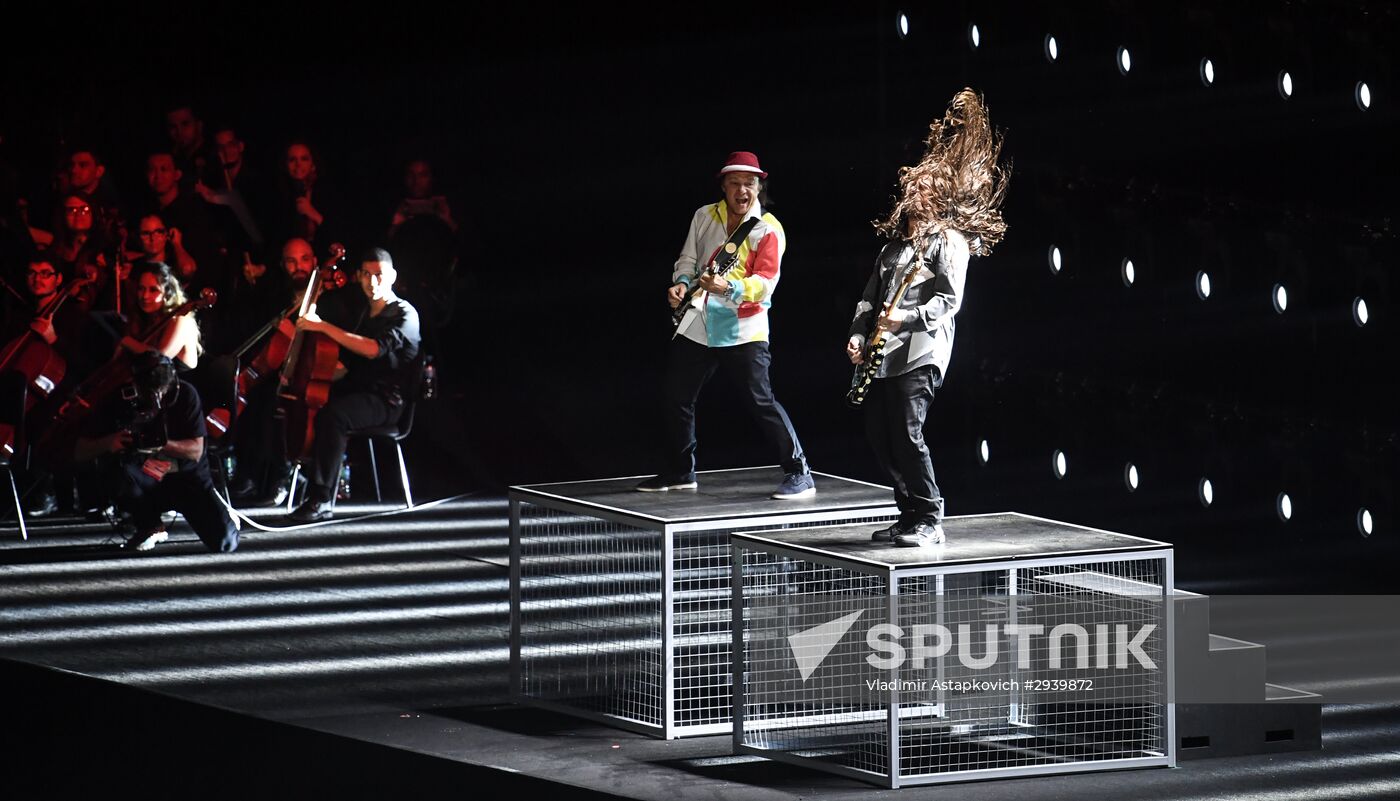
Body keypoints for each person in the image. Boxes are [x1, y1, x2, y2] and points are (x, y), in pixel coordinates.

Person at [845, 88, 1009, 547]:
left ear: (936, 195)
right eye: (910, 187)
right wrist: (859, 334)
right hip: (883, 354)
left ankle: (930, 517)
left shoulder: (949, 242)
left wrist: (905, 319)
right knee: (880, 433)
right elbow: (867, 299)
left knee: (907, 428)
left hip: (922, 351)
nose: (912, 193)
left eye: (921, 187)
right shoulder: (892, 248)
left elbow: (948, 301)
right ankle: (909, 512)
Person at [637, 151, 814, 499]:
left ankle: (799, 471)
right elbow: (688, 258)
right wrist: (682, 283)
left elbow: (766, 282)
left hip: (742, 326)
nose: (742, 190)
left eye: (749, 183)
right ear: (723, 186)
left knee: (760, 401)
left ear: (759, 187)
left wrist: (730, 287)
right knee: (677, 397)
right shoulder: (704, 216)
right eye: (734, 183)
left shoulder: (767, 229)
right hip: (700, 320)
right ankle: (680, 471)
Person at [287, 248, 420, 522]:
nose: (372, 283)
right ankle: (283, 481)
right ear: (358, 277)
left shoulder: (405, 314)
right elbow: (347, 365)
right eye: (367, 275)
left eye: (379, 275)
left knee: (333, 415)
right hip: (358, 391)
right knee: (299, 402)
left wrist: (322, 326)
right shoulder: (362, 314)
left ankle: (321, 499)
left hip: (387, 402)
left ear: (392, 276)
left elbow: (373, 350)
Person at [73, 350, 237, 552]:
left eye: (161, 393)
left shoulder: (186, 394)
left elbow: (196, 450)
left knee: (225, 542)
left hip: (188, 478)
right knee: (115, 470)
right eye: (149, 394)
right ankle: (148, 524)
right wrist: (109, 442)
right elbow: (80, 451)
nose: (156, 400)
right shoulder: (122, 398)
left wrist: (161, 444)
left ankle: (224, 516)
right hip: (147, 477)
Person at [121, 261, 202, 370]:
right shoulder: (144, 318)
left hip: (180, 385)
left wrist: (127, 342)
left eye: (153, 290)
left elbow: (160, 359)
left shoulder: (180, 320)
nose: (145, 296)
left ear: (167, 293)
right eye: (141, 289)